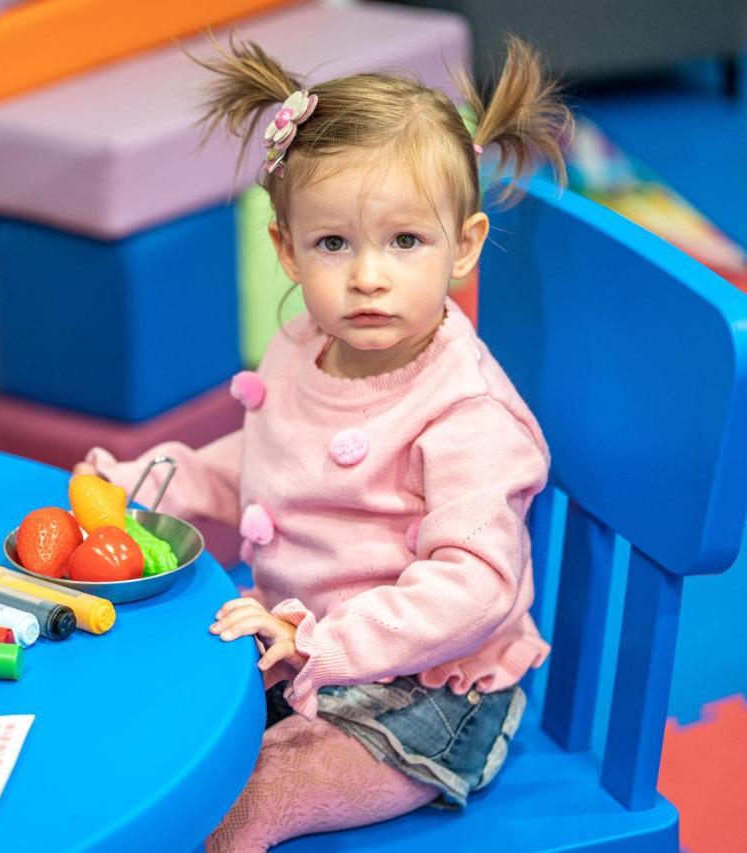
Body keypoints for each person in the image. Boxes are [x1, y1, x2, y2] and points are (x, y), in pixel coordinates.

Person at [73, 35, 573, 850]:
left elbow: (475, 585)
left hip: (426, 689)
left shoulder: (468, 413)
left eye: (405, 242)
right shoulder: (306, 343)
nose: (368, 276)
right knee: (154, 729)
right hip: (301, 643)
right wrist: (148, 484)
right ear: (286, 248)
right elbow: (265, 466)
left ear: (466, 244)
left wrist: (318, 640)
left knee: (247, 795)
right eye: (334, 243)